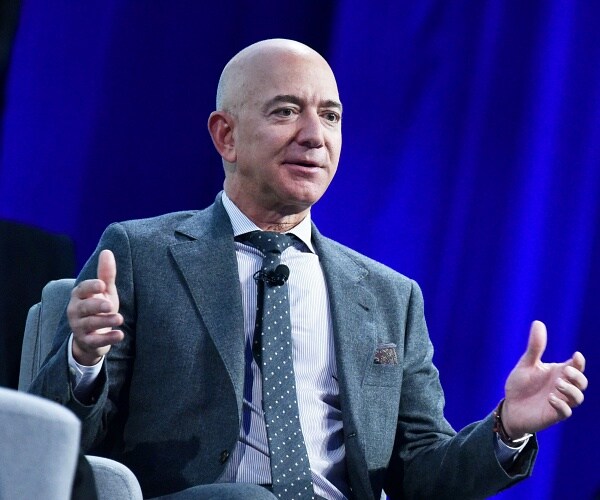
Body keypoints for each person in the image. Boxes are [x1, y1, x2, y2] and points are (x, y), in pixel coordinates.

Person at [29, 39, 588, 500]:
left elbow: (422, 475)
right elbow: (54, 444)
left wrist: (506, 428)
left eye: (330, 116)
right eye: (285, 111)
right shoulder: (141, 254)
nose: (314, 136)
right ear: (226, 135)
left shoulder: (390, 296)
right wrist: (85, 360)